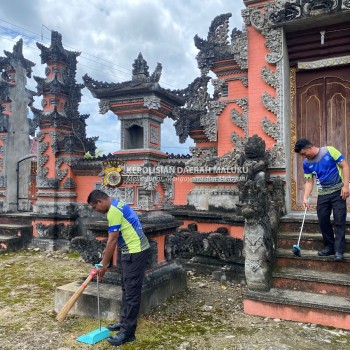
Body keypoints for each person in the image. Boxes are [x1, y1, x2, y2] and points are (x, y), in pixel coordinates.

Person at [87, 189, 150, 347]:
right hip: (129, 250)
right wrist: (105, 256)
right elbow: (114, 241)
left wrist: (103, 265)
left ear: (100, 202)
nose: (96, 211)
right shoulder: (118, 204)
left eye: (95, 207)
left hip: (135, 251)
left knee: (131, 293)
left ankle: (128, 333)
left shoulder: (113, 211)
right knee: (126, 288)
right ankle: (123, 323)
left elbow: (112, 241)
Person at [294, 139, 349, 261]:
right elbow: (309, 181)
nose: (303, 156)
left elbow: (345, 166)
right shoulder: (306, 163)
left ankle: (339, 250)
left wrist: (346, 186)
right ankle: (329, 247)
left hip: (338, 192)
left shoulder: (329, 151)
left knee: (339, 220)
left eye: (303, 153)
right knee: (323, 219)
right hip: (323, 194)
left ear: (309, 147)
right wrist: (305, 197)